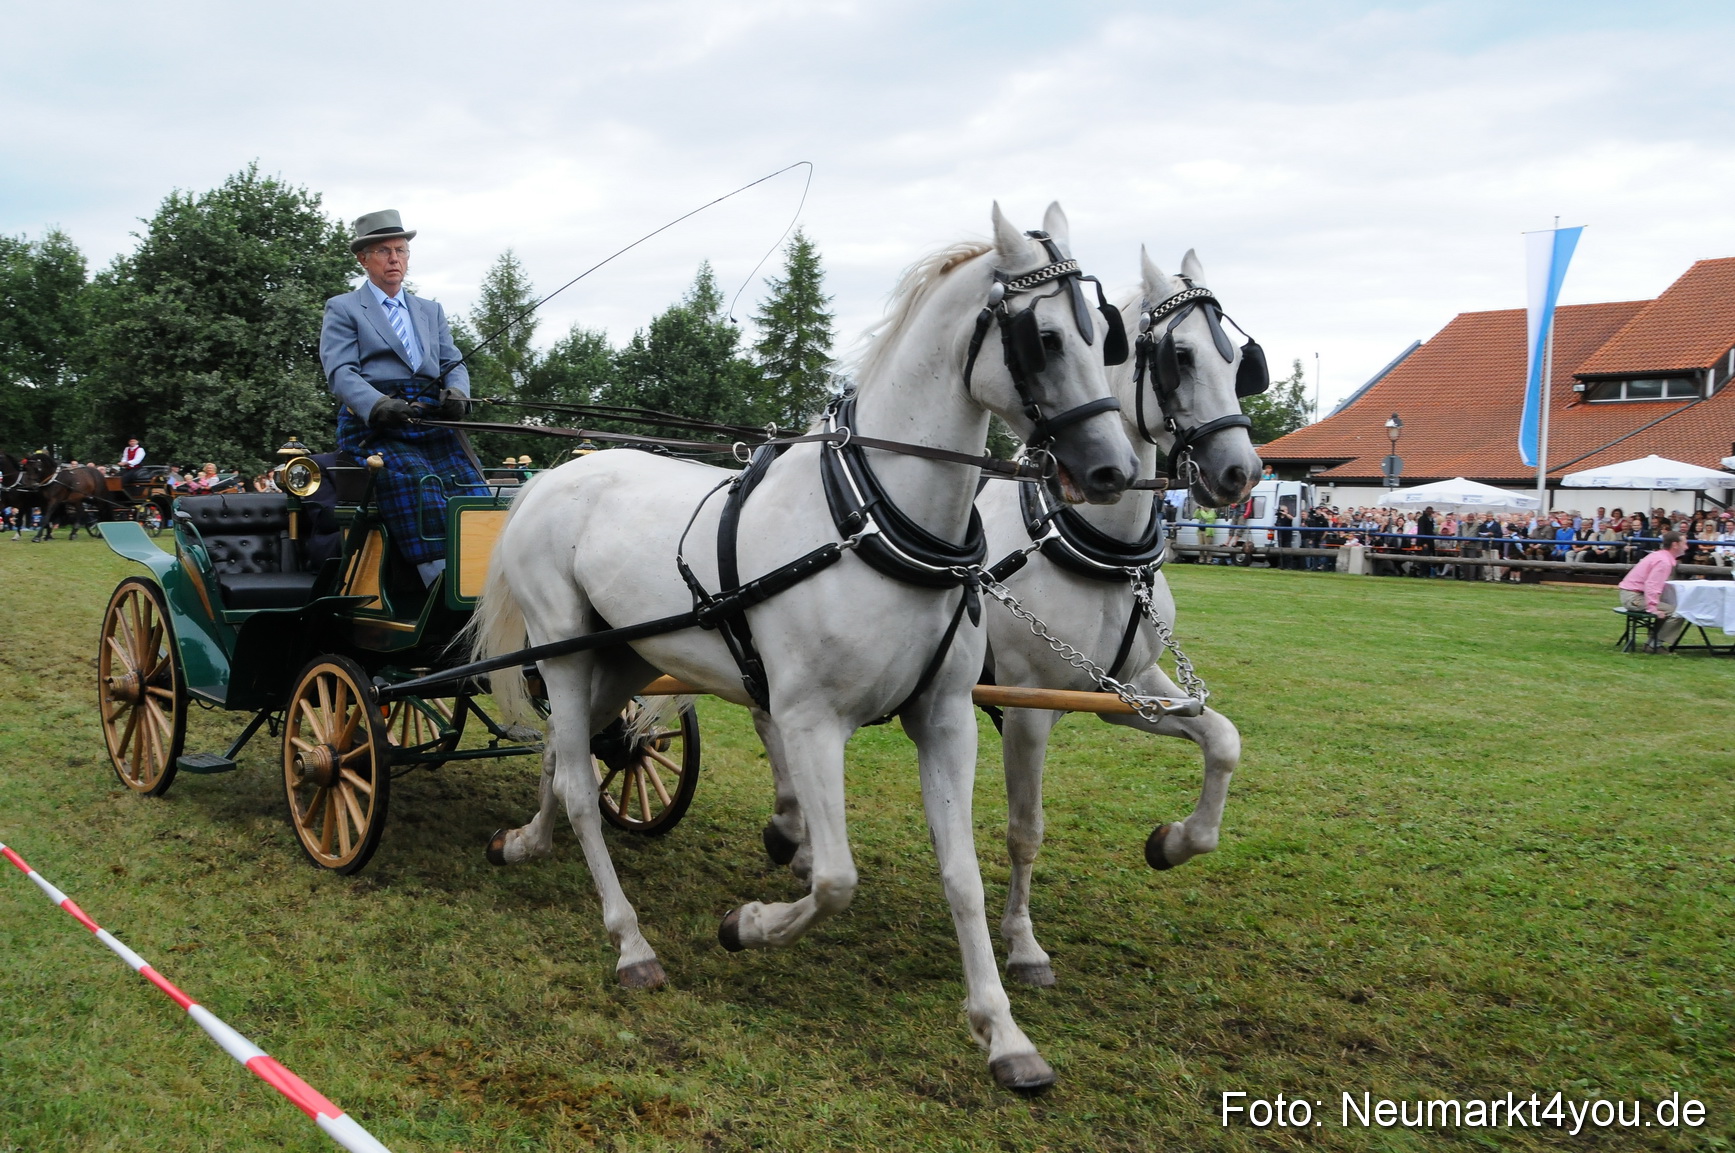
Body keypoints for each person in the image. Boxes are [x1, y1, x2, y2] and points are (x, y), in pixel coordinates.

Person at [319, 209, 485, 587]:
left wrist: (458, 394)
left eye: (401, 250)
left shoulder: (430, 310)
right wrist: (377, 406)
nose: (395, 259)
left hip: (430, 420)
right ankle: (442, 585)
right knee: (420, 482)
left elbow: (452, 361)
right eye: (384, 251)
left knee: (472, 490)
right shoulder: (343, 308)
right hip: (375, 425)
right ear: (364, 259)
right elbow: (341, 372)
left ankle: (484, 575)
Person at [1618, 530, 1690, 652]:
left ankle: (1652, 642)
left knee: (1670, 609)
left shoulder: (1660, 556)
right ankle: (1654, 644)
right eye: (1684, 543)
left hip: (1633, 595)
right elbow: (1652, 585)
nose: (1687, 547)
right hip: (1634, 597)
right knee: (1678, 612)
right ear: (1675, 545)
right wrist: (1653, 608)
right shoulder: (1664, 562)